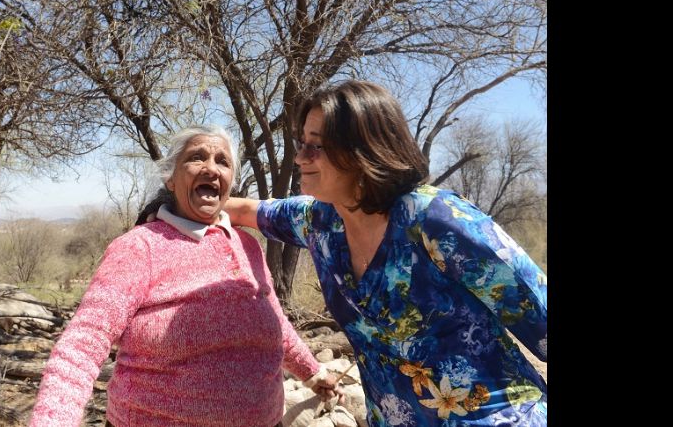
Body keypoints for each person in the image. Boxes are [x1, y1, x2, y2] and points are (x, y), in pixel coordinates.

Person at [225, 80, 547, 426]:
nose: (301, 157)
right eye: (301, 144)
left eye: (316, 146)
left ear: (362, 150)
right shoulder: (319, 222)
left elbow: (539, 309)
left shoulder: (436, 220)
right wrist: (172, 207)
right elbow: (244, 211)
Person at [30, 125, 339, 427]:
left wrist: (313, 373)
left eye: (222, 161)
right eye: (196, 157)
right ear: (171, 180)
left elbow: (275, 324)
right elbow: (82, 345)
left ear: (231, 181)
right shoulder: (140, 247)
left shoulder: (247, 246)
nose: (211, 168)